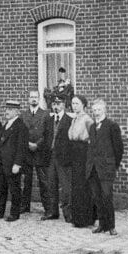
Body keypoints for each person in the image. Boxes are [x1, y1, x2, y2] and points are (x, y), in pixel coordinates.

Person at [87, 99, 124, 236]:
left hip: (106, 168)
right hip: (93, 168)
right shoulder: (92, 127)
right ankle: (102, 224)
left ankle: (111, 226)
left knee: (107, 196)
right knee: (97, 197)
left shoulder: (112, 126)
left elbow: (118, 148)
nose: (96, 113)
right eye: (94, 110)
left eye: (99, 110)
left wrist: (113, 165)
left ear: (104, 111)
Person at [0, 99, 29, 222]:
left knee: (14, 189)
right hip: (3, 163)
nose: (7, 112)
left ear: (17, 111)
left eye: (10, 109)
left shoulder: (20, 126)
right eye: (6, 109)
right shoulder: (5, 125)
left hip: (12, 164)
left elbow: (22, 147)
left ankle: (14, 213)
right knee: (1, 189)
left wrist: (17, 163)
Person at [20, 89, 52, 215]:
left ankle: (48, 208)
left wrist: (37, 145)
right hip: (27, 151)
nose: (33, 99)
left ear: (39, 99)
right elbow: (21, 132)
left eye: (36, 97)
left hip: (40, 151)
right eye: (31, 97)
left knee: (43, 181)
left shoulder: (45, 114)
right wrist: (27, 144)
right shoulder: (23, 115)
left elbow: (48, 133)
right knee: (26, 180)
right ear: (28, 99)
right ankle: (24, 206)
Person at [42, 92, 72, 222]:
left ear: (64, 105)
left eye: (59, 104)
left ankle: (68, 213)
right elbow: (45, 138)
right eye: (54, 104)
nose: (56, 106)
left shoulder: (69, 120)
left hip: (63, 157)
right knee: (51, 185)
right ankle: (52, 212)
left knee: (66, 187)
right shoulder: (48, 120)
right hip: (51, 157)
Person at [67, 94, 94, 228]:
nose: (74, 106)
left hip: (83, 153)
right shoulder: (74, 119)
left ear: (83, 105)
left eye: (77, 103)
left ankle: (85, 218)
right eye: (73, 103)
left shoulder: (87, 119)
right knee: (76, 185)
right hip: (75, 152)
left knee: (83, 185)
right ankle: (77, 217)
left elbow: (93, 138)